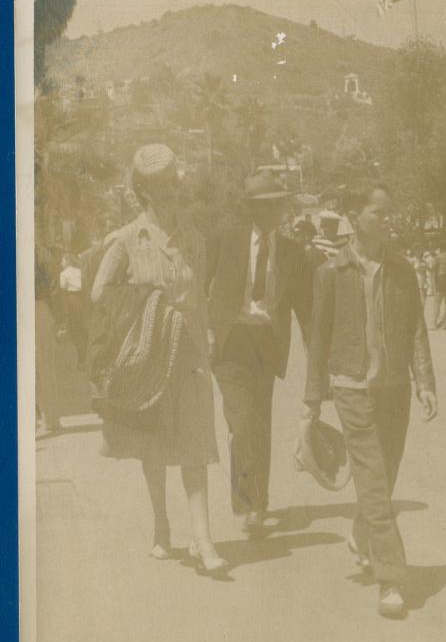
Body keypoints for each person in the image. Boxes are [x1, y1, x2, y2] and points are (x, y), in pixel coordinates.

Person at [304, 177, 437, 618]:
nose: (387, 220)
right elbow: (318, 339)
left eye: (388, 213)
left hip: (395, 388)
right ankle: (392, 579)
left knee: (387, 473)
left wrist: (425, 382)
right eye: (379, 212)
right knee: (376, 483)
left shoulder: (402, 269)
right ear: (356, 217)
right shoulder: (330, 273)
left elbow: (417, 327)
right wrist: (312, 400)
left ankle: (362, 534)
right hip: (351, 388)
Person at [90, 144, 226, 574]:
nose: (170, 195)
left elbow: (200, 298)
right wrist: (144, 303)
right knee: (153, 445)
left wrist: (206, 347)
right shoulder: (127, 240)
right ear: (143, 192)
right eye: (160, 189)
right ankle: (161, 524)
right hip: (148, 358)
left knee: (195, 447)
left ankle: (203, 538)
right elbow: (98, 294)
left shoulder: (194, 239)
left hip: (187, 357)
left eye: (173, 187)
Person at [206, 168, 313, 534]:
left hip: (266, 344)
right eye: (262, 206)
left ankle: (258, 502)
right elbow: (199, 285)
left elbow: (306, 310)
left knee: (260, 425)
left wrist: (319, 363)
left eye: (276, 206)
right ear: (249, 209)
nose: (270, 213)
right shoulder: (224, 239)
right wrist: (204, 332)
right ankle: (249, 505)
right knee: (243, 423)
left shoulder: (294, 252)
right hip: (231, 342)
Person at [35, 244, 62, 433]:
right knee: (45, 364)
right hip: (37, 305)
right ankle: (50, 419)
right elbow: (52, 281)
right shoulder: (36, 248)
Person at [60, 252, 89, 368]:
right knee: (83, 326)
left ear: (67, 261)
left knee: (75, 329)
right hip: (83, 298)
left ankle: (81, 359)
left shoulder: (64, 273)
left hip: (71, 300)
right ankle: (86, 356)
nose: (61, 263)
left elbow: (63, 287)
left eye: (62, 261)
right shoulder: (79, 271)